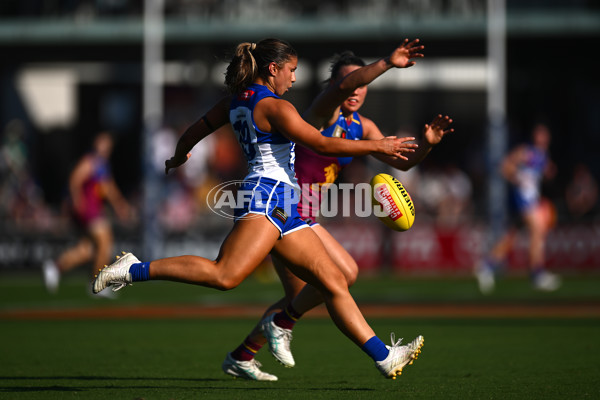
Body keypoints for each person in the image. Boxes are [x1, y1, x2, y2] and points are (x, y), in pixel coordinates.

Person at [92, 38, 423, 380]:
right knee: (225, 275)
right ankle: (134, 269)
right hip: (267, 198)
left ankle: (384, 356)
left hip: (284, 203)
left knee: (333, 281)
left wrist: (179, 155)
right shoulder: (277, 108)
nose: (294, 79)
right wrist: (377, 145)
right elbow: (320, 143)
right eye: (291, 71)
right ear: (273, 68)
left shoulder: (235, 100)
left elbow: (198, 128)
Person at [220, 46, 454, 380]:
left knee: (333, 281)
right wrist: (387, 62)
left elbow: (403, 161)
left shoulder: (362, 126)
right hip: (280, 211)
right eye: (350, 82)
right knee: (322, 287)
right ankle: (266, 338)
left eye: (362, 84)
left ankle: (245, 353)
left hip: (304, 217)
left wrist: (427, 143)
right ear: (333, 84)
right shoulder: (322, 113)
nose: (356, 89)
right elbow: (343, 89)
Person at [43, 131, 133, 295]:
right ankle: (97, 283)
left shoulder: (102, 164)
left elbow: (108, 188)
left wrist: (120, 205)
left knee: (88, 249)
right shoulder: (90, 161)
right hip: (89, 209)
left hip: (93, 209)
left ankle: (55, 267)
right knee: (105, 241)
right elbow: (75, 179)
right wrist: (78, 201)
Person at [475, 123, 561, 294]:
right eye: (539, 134)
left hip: (532, 199)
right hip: (522, 198)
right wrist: (517, 177)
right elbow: (505, 165)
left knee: (511, 236)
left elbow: (544, 172)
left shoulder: (543, 155)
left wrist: (547, 173)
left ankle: (487, 266)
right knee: (538, 230)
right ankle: (536, 274)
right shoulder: (526, 151)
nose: (541, 138)